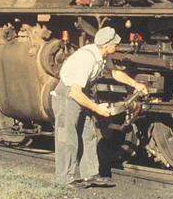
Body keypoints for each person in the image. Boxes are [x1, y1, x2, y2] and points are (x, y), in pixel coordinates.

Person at [51, 26, 147, 188]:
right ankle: (64, 180)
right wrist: (97, 108)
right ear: (107, 46)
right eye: (115, 44)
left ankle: (90, 175)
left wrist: (136, 84)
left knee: (88, 134)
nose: (117, 46)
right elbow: (75, 92)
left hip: (82, 93)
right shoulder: (87, 60)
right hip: (68, 96)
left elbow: (115, 73)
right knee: (68, 139)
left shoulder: (101, 55)